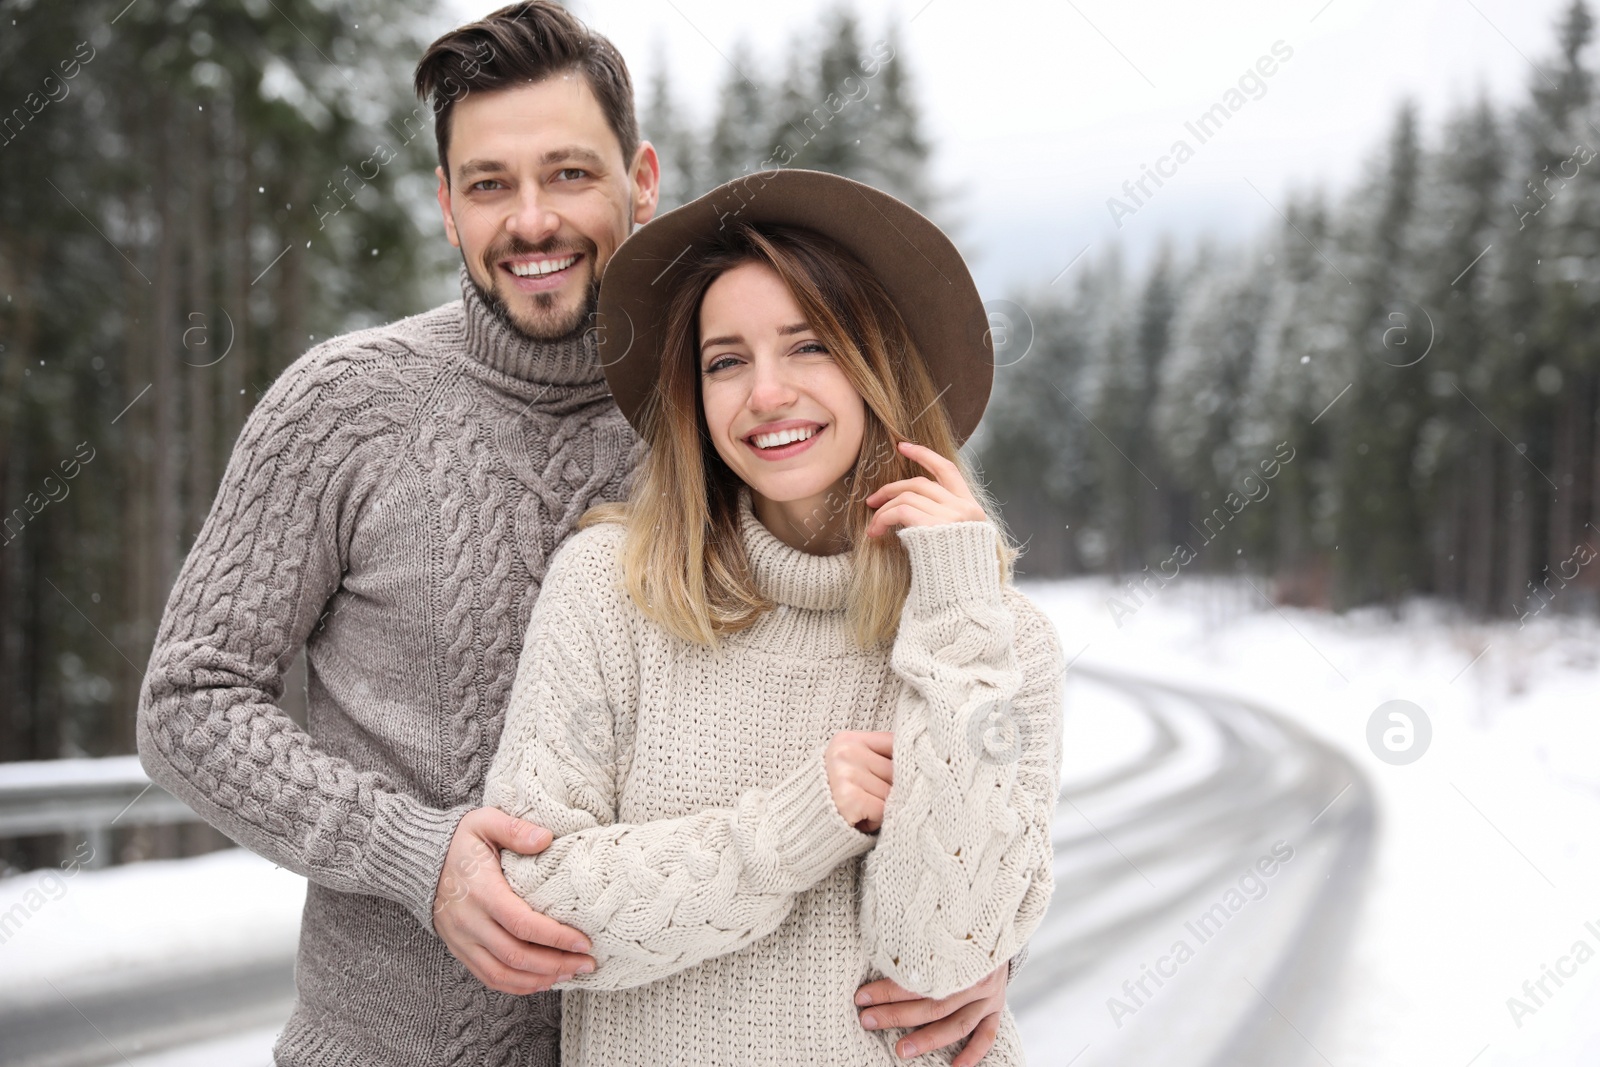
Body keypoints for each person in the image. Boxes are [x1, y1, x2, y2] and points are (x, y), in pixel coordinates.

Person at [135, 4, 1017, 1064]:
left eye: (567, 174)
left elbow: (881, 701)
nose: (532, 220)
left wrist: (977, 950)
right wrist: (418, 853)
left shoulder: (730, 428)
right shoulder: (343, 407)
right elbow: (189, 699)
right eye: (489, 184)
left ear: (641, 180)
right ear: (445, 207)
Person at [481, 168, 1066, 1066]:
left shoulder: (997, 640)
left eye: (809, 347)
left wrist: (954, 611)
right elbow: (535, 904)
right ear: (694, 394)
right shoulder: (612, 589)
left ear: (878, 367)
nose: (765, 393)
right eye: (725, 361)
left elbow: (941, 954)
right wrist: (790, 828)